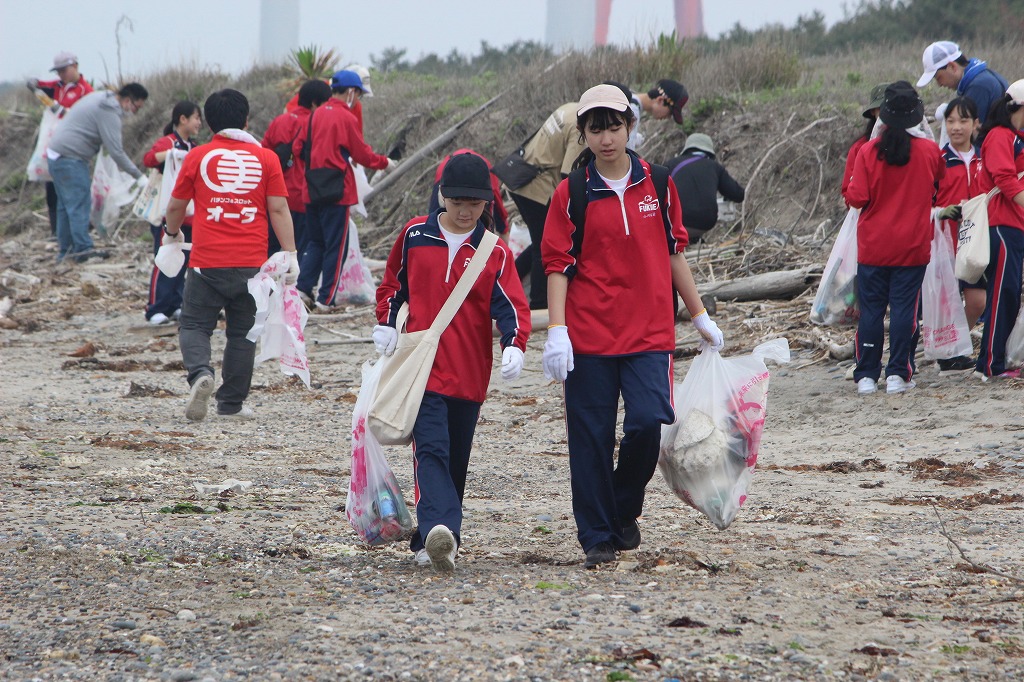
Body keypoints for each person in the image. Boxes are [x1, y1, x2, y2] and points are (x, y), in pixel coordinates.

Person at [540, 84, 725, 569]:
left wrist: (700, 315)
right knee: (591, 439)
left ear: (629, 127)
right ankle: (597, 536)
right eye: (595, 129)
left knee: (647, 423)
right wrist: (557, 329)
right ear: (583, 134)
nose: (606, 138)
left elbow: (673, 253)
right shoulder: (571, 192)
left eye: (614, 127)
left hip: (649, 334)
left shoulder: (659, 183)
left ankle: (623, 506)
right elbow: (557, 265)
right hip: (588, 337)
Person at [373, 153, 531, 573]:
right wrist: (386, 322)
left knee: (455, 458)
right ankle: (438, 532)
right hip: (422, 371)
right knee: (431, 451)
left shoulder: (495, 252)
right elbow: (393, 286)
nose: (465, 211)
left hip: (470, 373)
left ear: (487, 203)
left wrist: (514, 344)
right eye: (458, 202)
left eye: (475, 204)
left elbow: (511, 305)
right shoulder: (414, 235)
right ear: (442, 195)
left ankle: (438, 538)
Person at [163, 88, 298, 421]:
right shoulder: (267, 158)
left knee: (194, 325)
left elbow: (177, 205)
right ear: (246, 120)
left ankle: (200, 373)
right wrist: (290, 253)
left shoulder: (198, 156)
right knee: (243, 333)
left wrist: (171, 234)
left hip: (206, 263)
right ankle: (231, 404)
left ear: (209, 123)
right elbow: (278, 209)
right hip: (252, 266)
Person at [846, 81, 945, 395]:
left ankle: (866, 375)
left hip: (873, 246)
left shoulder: (867, 152)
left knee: (872, 311)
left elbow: (856, 198)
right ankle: (898, 374)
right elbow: (939, 184)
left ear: (883, 114)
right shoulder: (929, 151)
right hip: (912, 247)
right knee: (905, 311)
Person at [292, 69, 397, 311]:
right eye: (358, 94)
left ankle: (303, 289)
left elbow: (298, 148)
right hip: (336, 191)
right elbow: (362, 154)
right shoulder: (346, 118)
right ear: (351, 92)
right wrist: (385, 162)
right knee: (335, 246)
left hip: (311, 189)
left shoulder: (314, 115)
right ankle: (326, 299)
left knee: (316, 242)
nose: (358, 99)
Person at [47, 82, 148, 263]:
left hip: (57, 155)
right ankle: (83, 250)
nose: (134, 112)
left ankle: (66, 251)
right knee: (79, 204)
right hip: (70, 158)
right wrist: (138, 176)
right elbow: (116, 151)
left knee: (65, 206)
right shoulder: (109, 110)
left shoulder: (103, 97)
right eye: (136, 108)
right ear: (127, 100)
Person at [505, 101, 587, 310]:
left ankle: (506, 281)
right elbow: (569, 175)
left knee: (539, 241)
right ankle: (539, 304)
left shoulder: (570, 108)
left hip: (521, 177)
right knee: (545, 245)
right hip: (536, 187)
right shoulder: (580, 128)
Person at [972, 80, 1024, 380]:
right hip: (1001, 223)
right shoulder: (1000, 136)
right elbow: (1005, 179)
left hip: (1013, 224)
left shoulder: (1014, 137)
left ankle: (991, 361)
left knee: (1009, 293)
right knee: (1002, 293)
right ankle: (993, 364)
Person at [933, 96, 984, 372]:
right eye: (950, 121)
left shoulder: (984, 159)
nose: (956, 127)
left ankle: (955, 347)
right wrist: (942, 211)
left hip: (976, 243)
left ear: (976, 124)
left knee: (977, 301)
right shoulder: (938, 160)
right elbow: (925, 201)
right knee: (947, 301)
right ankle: (949, 353)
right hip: (945, 243)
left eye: (963, 121)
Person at [142, 101, 203, 325]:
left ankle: (175, 303)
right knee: (164, 257)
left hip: (189, 213)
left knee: (182, 259)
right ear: (183, 119)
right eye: (196, 118)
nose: (199, 123)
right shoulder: (168, 142)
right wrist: (170, 155)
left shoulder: (194, 146)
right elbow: (149, 159)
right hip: (168, 212)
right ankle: (155, 307)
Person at [262, 79, 333, 259]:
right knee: (299, 254)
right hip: (301, 196)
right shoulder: (316, 123)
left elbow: (264, 153)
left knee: (267, 250)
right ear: (315, 103)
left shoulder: (279, 121)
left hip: (273, 195)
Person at [26, 51, 94, 238]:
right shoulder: (57, 86)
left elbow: (87, 116)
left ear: (75, 66)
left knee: (73, 191)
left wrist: (64, 112)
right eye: (58, 71)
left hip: (73, 148)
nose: (61, 74)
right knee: (52, 190)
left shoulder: (85, 91)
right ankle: (56, 232)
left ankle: (77, 233)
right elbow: (40, 86)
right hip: (53, 145)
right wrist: (33, 83)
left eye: (64, 70)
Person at [664, 133, 745, 243]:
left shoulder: (671, 164)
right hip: (705, 222)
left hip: (676, 221)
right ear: (709, 152)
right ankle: (693, 240)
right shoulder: (715, 167)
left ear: (687, 149)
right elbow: (738, 195)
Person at [917, 41, 1008, 124]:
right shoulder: (984, 76)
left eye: (939, 78)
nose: (939, 84)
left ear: (952, 66)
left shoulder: (978, 86)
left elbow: (974, 132)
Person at [427, 148, 508, 236]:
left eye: (474, 204)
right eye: (456, 203)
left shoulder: (486, 174)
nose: (464, 213)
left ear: (485, 201)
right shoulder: (445, 179)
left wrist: (503, 229)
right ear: (442, 195)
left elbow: (498, 207)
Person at [603, 78, 688, 151]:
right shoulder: (632, 110)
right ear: (660, 100)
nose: (668, 117)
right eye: (670, 113)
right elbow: (627, 151)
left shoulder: (630, 99)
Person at [841, 83, 888, 205]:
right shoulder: (859, 148)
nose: (888, 113)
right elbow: (848, 192)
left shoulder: (914, 144)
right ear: (873, 111)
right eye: (883, 109)